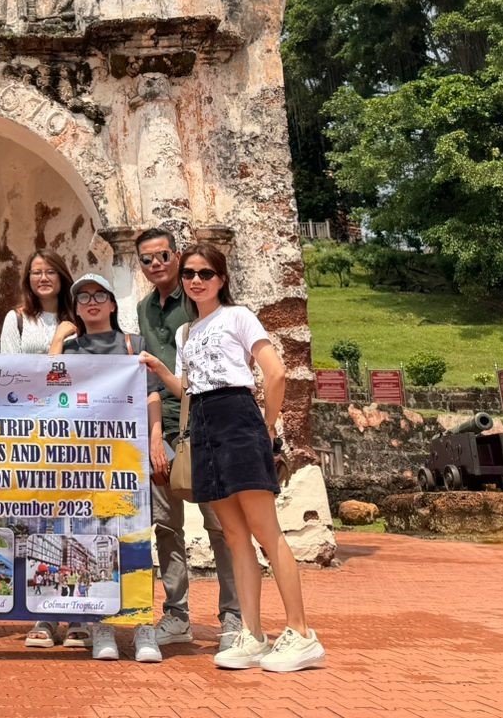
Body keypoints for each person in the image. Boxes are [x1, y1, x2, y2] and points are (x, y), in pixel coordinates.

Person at [140, 243, 326, 673]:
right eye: (188, 273)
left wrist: (267, 423)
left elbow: (274, 371)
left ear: (221, 278)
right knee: (235, 535)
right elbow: (189, 388)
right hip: (202, 424)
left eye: (206, 273)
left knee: (266, 531)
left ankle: (300, 633)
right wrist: (161, 371)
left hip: (239, 417)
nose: (196, 281)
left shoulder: (238, 316)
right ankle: (253, 633)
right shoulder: (187, 332)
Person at [133, 226, 241, 651]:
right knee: (166, 527)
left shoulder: (199, 301)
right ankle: (176, 614)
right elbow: (150, 379)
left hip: (207, 427)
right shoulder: (144, 309)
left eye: (162, 256)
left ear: (176, 257)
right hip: (165, 428)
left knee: (222, 526)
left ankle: (233, 614)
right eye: (146, 259)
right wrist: (155, 435)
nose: (155, 264)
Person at [52, 274, 163, 664]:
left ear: (113, 305)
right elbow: (46, 389)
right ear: (77, 309)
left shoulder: (134, 343)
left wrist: (154, 439)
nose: (92, 302)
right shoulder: (70, 348)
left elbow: (151, 394)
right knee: (92, 539)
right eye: (83, 298)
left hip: (129, 457)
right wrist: (56, 341)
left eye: (100, 296)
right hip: (84, 458)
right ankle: (102, 627)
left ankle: (143, 625)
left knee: (135, 538)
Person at [1, 251, 70, 355]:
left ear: (61, 277)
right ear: (28, 279)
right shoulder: (16, 318)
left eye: (51, 272)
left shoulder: (77, 317)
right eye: (37, 273)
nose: (43, 279)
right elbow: (9, 367)